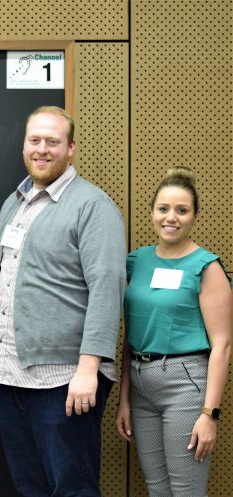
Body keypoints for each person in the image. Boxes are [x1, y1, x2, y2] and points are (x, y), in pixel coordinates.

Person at [0, 106, 126, 496]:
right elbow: (2, 285)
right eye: (34, 140)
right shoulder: (14, 202)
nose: (42, 149)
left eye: (52, 141)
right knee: (31, 488)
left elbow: (107, 288)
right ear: (23, 145)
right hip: (11, 379)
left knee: (72, 489)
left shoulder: (92, 206)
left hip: (65, 381)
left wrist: (88, 369)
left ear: (71, 148)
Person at [116, 167, 231, 496]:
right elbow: (130, 334)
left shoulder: (206, 267)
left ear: (194, 215)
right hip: (140, 384)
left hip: (186, 383)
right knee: (156, 489)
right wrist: (124, 400)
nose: (171, 217)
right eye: (164, 208)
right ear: (152, 212)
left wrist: (210, 414)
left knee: (186, 491)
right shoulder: (137, 261)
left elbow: (222, 345)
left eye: (182, 210)